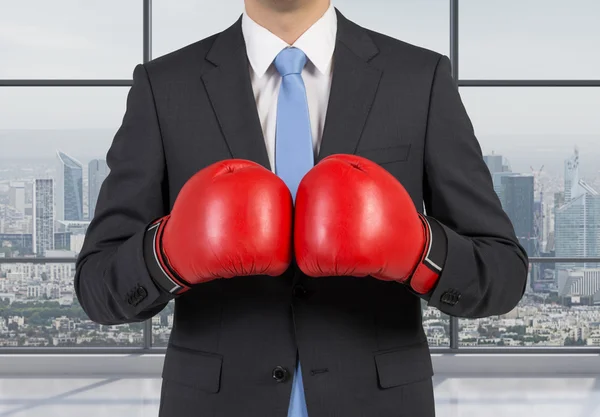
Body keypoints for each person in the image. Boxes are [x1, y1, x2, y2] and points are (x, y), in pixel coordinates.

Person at [75, 0, 529, 416]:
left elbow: (503, 272)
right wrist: (168, 255)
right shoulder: (165, 85)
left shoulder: (418, 77)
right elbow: (97, 286)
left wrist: (418, 252)